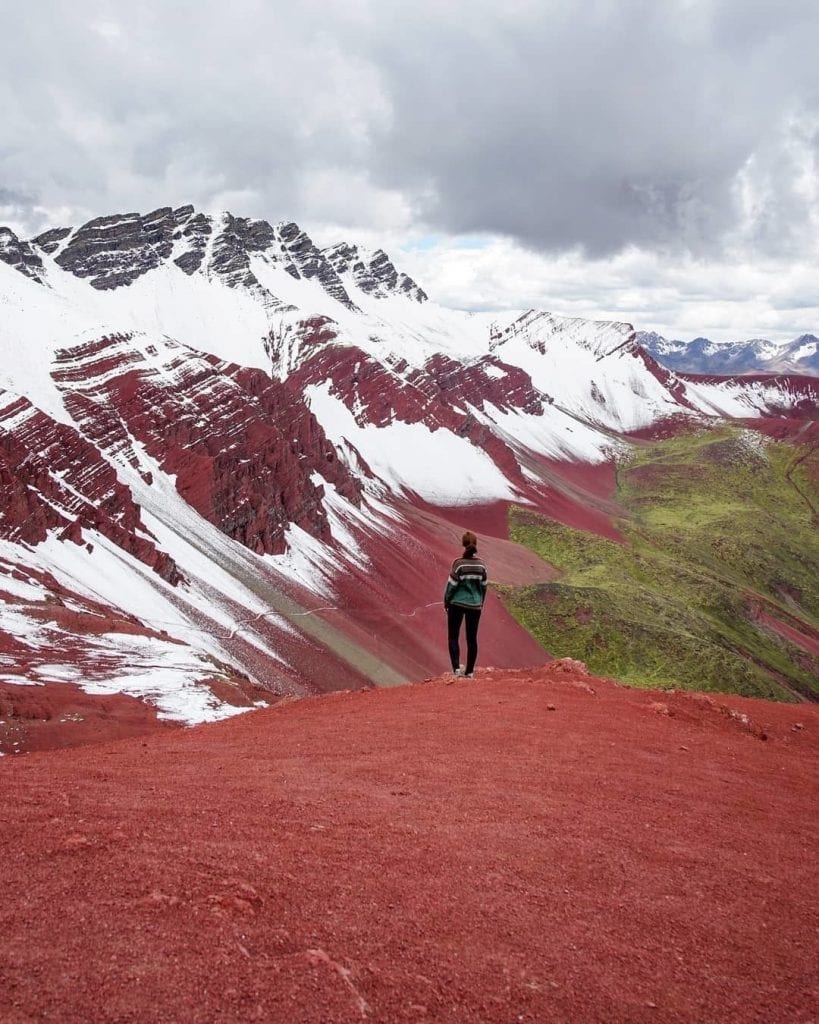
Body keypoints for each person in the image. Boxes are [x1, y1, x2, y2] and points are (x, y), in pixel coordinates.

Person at [443, 530, 488, 678]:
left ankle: (456, 669)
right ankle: (469, 672)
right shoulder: (481, 565)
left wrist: (447, 601)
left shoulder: (458, 564)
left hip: (456, 604)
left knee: (453, 636)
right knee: (472, 639)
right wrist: (480, 602)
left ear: (463, 544)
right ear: (475, 544)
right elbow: (484, 586)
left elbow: (451, 585)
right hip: (475, 606)